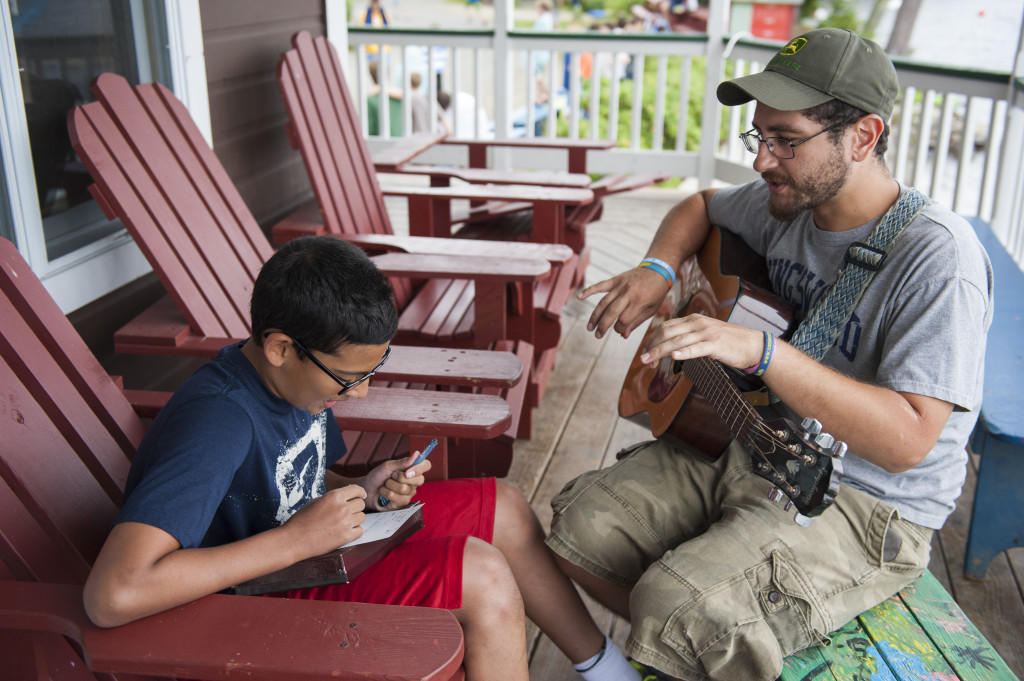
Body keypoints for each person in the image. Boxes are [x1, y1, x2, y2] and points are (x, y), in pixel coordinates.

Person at [548, 28, 993, 681]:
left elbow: (907, 441)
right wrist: (658, 268)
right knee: (578, 525)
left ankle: (696, 640)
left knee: (677, 603)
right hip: (761, 446)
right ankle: (680, 653)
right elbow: (700, 205)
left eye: (786, 140)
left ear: (864, 138)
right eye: (760, 137)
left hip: (869, 503)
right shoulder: (786, 204)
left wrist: (760, 351)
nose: (762, 161)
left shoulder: (936, 259)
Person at [82, 236, 645, 681]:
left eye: (370, 373)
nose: (360, 395)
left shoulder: (295, 383)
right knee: (482, 576)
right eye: (349, 378)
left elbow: (286, 475)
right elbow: (114, 594)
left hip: (307, 552)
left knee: (506, 507)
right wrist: (296, 542)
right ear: (280, 348)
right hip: (241, 603)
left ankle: (608, 671)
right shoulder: (216, 423)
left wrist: (363, 486)